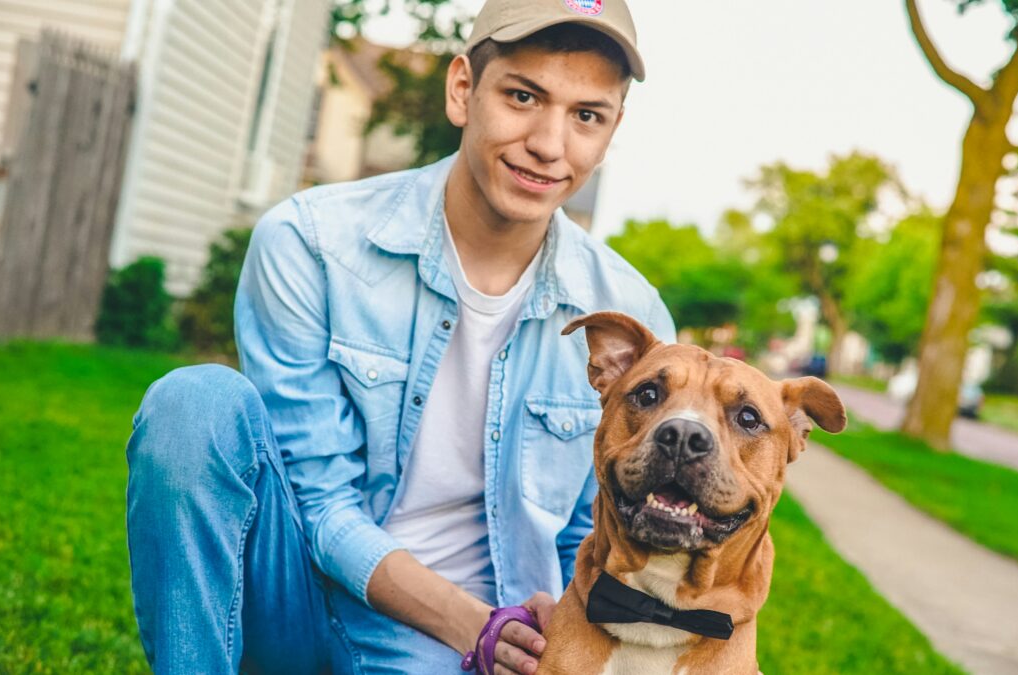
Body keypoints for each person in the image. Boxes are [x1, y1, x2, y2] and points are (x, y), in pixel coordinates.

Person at [125, 0, 674, 673]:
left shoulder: (629, 316)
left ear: (612, 128)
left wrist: (559, 639)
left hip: (486, 653)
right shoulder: (312, 243)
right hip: (300, 605)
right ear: (463, 89)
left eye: (586, 115)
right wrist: (474, 622)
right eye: (523, 96)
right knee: (192, 404)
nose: (550, 144)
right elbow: (319, 502)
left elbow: (602, 535)